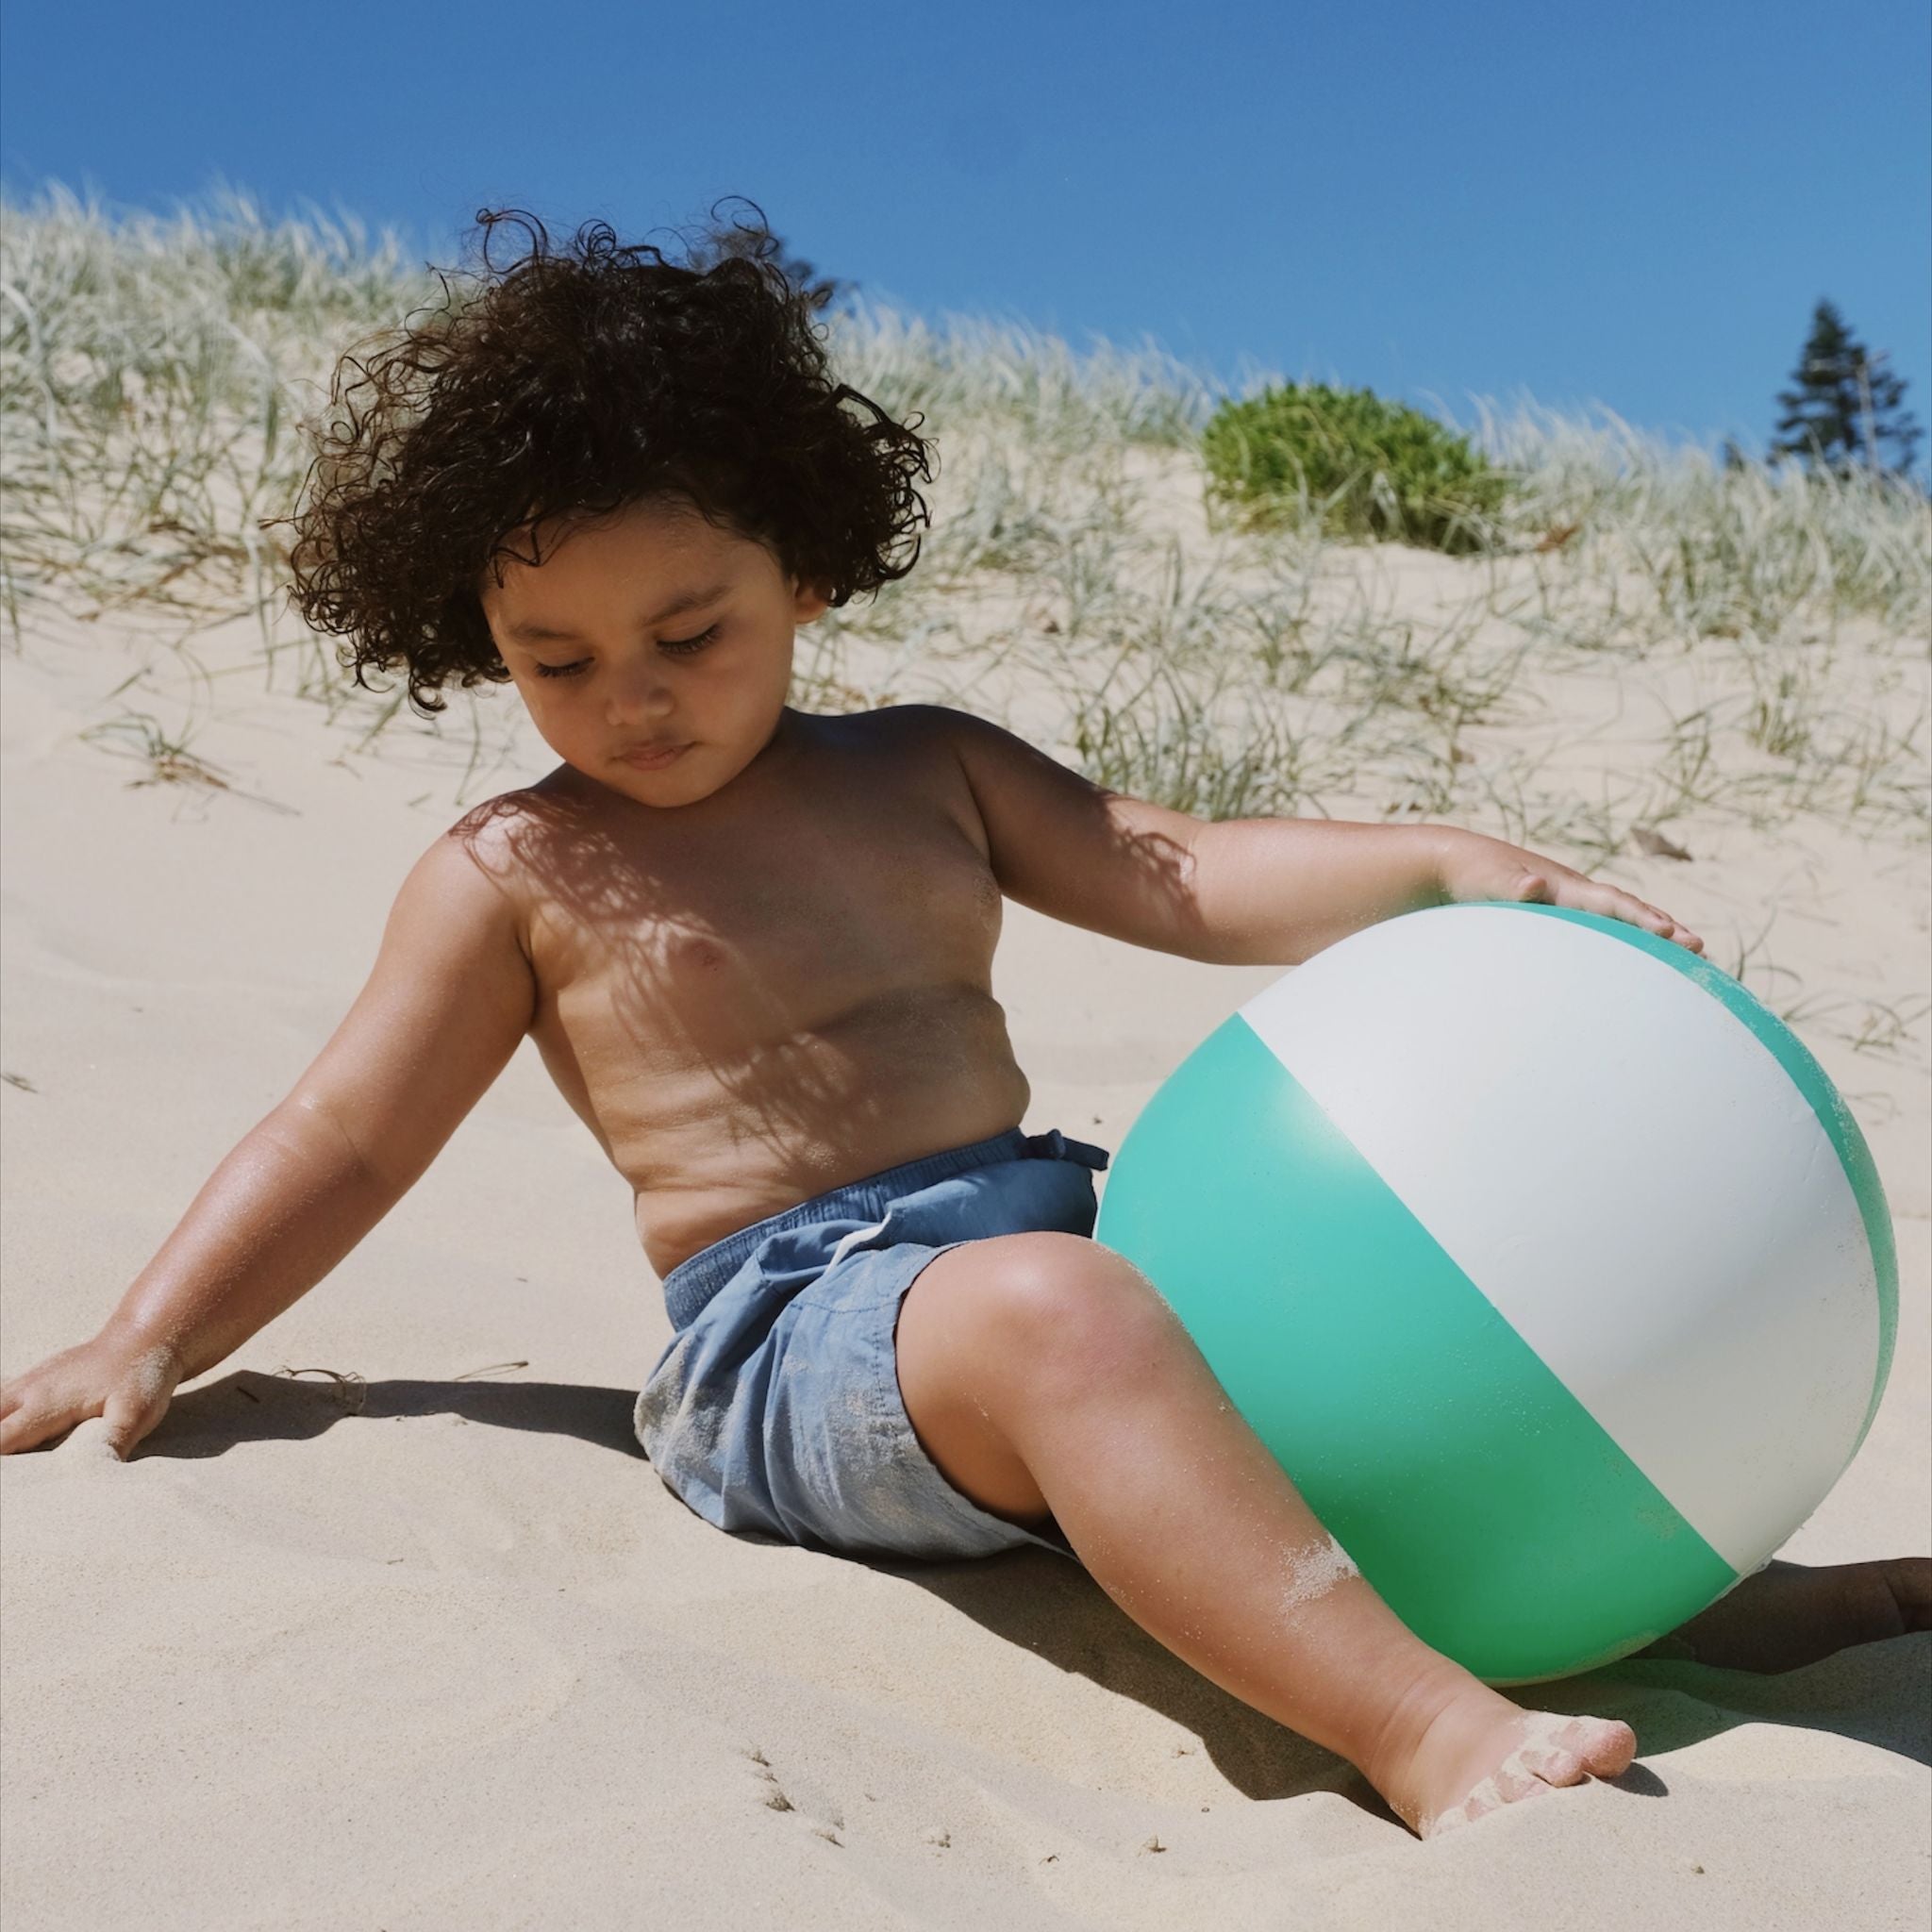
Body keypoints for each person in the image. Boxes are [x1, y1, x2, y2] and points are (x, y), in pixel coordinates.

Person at [1, 205, 1923, 1840]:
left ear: (804, 568)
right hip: (792, 1342)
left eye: (691, 631)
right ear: (475, 635)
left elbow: (1173, 866)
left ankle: (1675, 1600)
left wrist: (1453, 864)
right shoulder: (516, 868)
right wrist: (148, 1331)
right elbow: (347, 1131)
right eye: (553, 659)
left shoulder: (923, 772)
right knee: (1067, 1314)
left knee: (1299, 1333)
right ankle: (1416, 1726)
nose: (631, 698)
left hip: (1040, 1251)